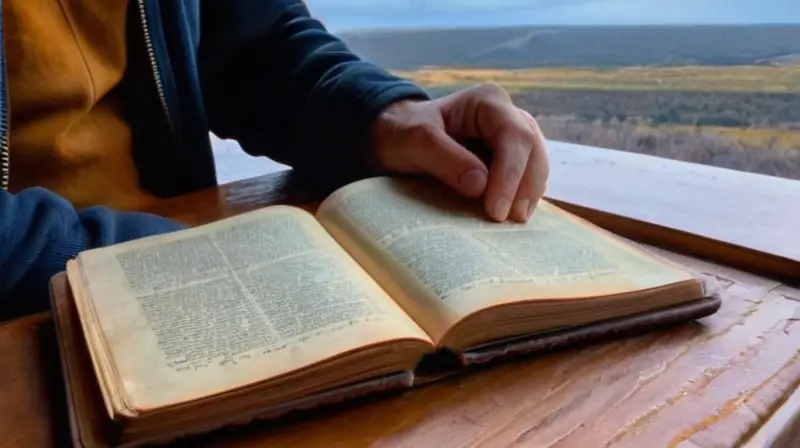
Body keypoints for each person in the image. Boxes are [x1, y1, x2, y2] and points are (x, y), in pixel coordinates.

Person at [0, 1, 549, 319]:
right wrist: (175, 258)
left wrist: (385, 116)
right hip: (38, 323)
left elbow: (254, 42)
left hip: (179, 264)